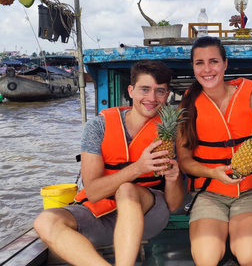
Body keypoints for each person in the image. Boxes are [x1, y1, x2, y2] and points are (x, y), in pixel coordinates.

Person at [34, 60, 185, 266]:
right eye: (145, 89)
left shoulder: (170, 133)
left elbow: (175, 205)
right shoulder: (98, 127)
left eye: (160, 91)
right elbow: (94, 192)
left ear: (166, 96)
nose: (151, 98)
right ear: (131, 90)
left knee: (127, 190)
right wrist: (139, 167)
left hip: (149, 214)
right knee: (45, 220)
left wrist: (172, 178)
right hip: (101, 212)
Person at [176, 36, 252, 266]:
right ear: (193, 67)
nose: (207, 69)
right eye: (199, 63)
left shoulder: (249, 95)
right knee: (206, 259)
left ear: (225, 64)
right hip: (209, 192)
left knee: (248, 256)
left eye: (213, 61)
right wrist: (213, 173)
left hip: (249, 191)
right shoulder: (187, 105)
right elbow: (184, 161)